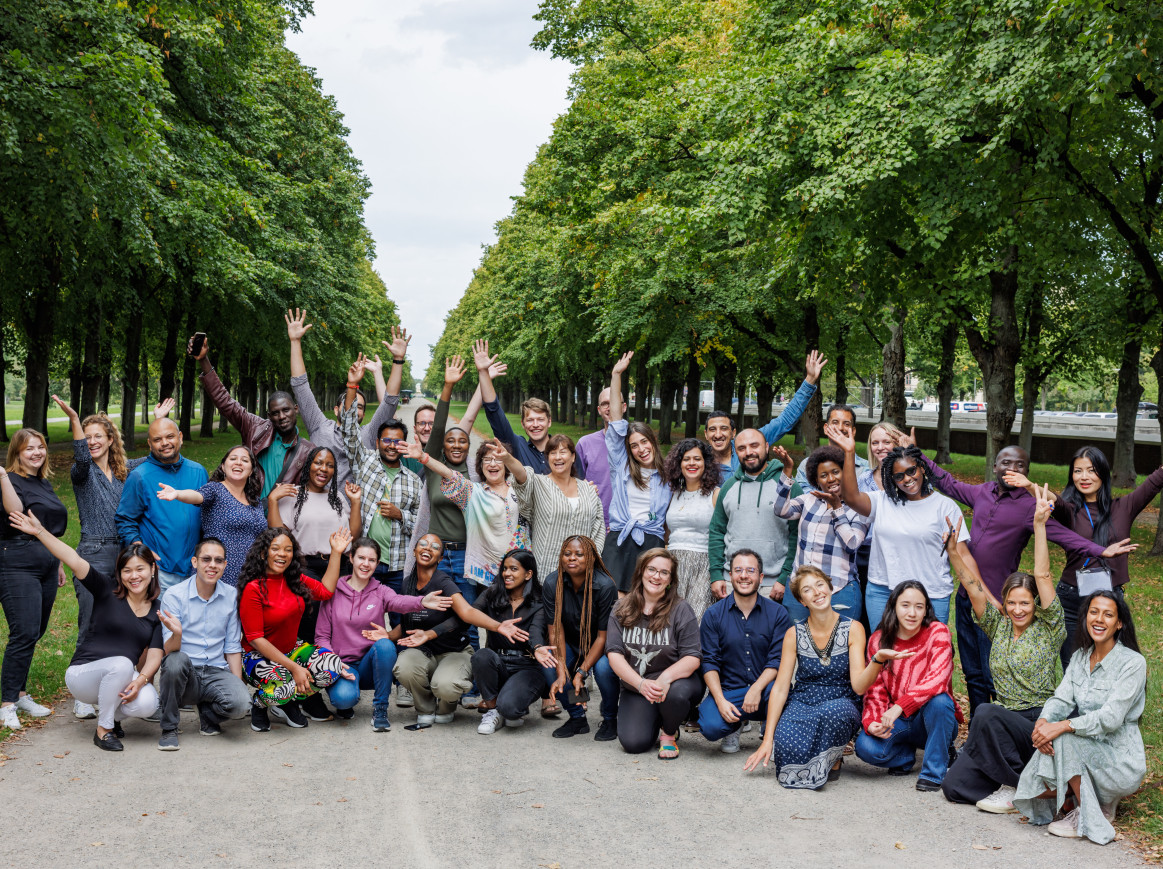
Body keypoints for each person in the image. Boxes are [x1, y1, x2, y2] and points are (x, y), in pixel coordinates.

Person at [900, 432, 1125, 718]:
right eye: (1006, 463)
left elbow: (1065, 536)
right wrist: (916, 453)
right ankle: (978, 732)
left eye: (1020, 465)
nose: (1012, 469)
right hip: (967, 596)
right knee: (972, 672)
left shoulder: (1029, 508)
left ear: (1026, 472)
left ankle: (1003, 724)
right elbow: (947, 482)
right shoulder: (980, 492)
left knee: (993, 670)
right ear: (994, 466)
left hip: (997, 605)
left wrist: (1100, 551)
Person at [941, 488, 1068, 812]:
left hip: (1036, 722)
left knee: (984, 710)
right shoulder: (997, 625)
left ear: (1035, 603)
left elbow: (1042, 573)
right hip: (1000, 725)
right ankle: (1025, 781)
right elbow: (973, 587)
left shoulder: (1050, 627)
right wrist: (954, 551)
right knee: (954, 787)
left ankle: (1019, 785)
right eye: (1011, 602)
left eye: (1024, 603)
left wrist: (1039, 525)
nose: (1017, 609)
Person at [52, 395, 169, 718]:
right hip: (93, 552)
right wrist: (75, 419)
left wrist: (159, 418)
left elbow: (151, 459)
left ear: (110, 439)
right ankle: (82, 695)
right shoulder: (82, 473)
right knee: (91, 621)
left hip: (124, 555)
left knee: (128, 624)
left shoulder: (124, 470)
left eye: (97, 437)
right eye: (87, 438)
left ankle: (129, 683)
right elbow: (79, 455)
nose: (91, 443)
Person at [11, 509, 162, 750]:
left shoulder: (156, 610)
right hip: (83, 675)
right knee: (123, 663)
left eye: (140, 569)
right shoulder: (106, 590)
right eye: (127, 570)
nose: (134, 576)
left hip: (117, 677)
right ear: (119, 574)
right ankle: (104, 730)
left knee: (149, 702)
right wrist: (39, 531)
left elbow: (155, 654)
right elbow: (74, 559)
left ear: (152, 570)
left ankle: (110, 715)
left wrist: (142, 680)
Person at [743, 566, 905, 788]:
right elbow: (780, 689)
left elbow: (858, 687)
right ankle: (823, 756)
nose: (817, 592)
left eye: (820, 585)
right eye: (808, 590)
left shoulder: (853, 628)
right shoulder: (794, 634)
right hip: (803, 702)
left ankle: (833, 755)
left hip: (841, 702)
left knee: (833, 713)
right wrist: (769, 738)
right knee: (785, 744)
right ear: (802, 601)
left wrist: (876, 660)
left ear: (830, 588)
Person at [1012, 590, 1147, 844]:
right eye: (1094, 612)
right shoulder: (1080, 657)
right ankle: (1075, 799)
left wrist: (1061, 726)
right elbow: (1061, 699)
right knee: (1039, 770)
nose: (1099, 619)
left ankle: (1088, 815)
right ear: (1086, 617)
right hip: (1087, 747)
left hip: (1120, 760)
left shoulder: (1133, 663)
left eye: (1108, 615)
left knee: (1063, 740)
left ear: (1119, 624)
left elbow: (1110, 718)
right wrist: (1043, 724)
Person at [830, 422, 973, 628]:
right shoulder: (882, 501)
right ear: (892, 479)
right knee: (883, 654)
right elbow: (851, 497)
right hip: (882, 591)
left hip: (930, 594)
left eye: (911, 471)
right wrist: (850, 452)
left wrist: (981, 593)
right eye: (898, 476)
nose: (907, 479)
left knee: (928, 657)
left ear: (922, 468)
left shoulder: (945, 507)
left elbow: (963, 555)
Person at [1032, 447, 1161, 667]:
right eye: (1078, 471)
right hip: (1072, 599)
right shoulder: (1069, 510)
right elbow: (1054, 500)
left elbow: (1155, 481)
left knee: (1108, 667)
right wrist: (1028, 485)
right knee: (1073, 668)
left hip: (1110, 598)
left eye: (1091, 470)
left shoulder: (1124, 507)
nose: (1084, 477)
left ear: (1103, 472)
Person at [385, 533, 528, 724]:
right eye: (423, 544)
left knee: (445, 685)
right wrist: (385, 636)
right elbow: (406, 623)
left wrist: (498, 626)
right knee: (404, 666)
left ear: (441, 558)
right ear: (414, 550)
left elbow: (466, 613)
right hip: (423, 652)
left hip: (453, 651)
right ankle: (425, 707)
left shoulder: (443, 582)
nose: (428, 548)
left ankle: (446, 706)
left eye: (435, 547)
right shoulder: (407, 584)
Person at [316, 536, 452, 731]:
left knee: (385, 645)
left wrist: (421, 601)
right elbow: (321, 636)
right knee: (343, 700)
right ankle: (347, 701)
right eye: (361, 558)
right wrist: (333, 664)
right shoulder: (333, 591)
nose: (366, 564)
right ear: (351, 558)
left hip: (372, 665)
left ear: (377, 563)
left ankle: (380, 709)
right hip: (342, 665)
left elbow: (399, 601)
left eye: (371, 560)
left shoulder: (380, 591)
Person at [238, 526, 353, 731]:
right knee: (283, 683)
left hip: (291, 649)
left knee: (333, 666)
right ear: (264, 553)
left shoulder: (295, 580)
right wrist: (295, 668)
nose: (282, 554)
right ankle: (260, 703)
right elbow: (255, 639)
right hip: (256, 656)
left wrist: (336, 552)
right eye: (276, 548)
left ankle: (282, 700)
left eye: (288, 549)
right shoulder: (253, 588)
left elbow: (325, 591)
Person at [855, 580, 962, 791]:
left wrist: (899, 706)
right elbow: (874, 691)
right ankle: (905, 758)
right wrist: (873, 721)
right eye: (905, 605)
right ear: (894, 606)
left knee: (940, 702)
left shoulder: (937, 632)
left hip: (933, 719)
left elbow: (937, 679)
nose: (912, 613)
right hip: (900, 723)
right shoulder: (878, 640)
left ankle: (933, 772)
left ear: (926, 610)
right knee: (865, 747)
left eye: (919, 607)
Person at [286, 309, 408, 484]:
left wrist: (397, 360)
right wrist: (295, 341)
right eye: (349, 405)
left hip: (352, 510)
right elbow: (300, 386)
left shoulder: (368, 434)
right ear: (336, 410)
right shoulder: (318, 426)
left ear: (364, 415)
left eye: (359, 407)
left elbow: (389, 402)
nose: (354, 410)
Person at [190, 333, 314, 501]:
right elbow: (224, 401)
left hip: (281, 522)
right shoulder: (255, 428)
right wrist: (204, 360)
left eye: (286, 410)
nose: (282, 416)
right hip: (249, 515)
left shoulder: (307, 451)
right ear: (269, 416)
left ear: (296, 409)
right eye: (276, 413)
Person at [0, 430, 69, 730]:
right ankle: (6, 705)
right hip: (16, 563)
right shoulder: (9, 482)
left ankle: (20, 693)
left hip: (46, 563)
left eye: (41, 447)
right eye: (29, 449)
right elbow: (17, 514)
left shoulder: (43, 482)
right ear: (16, 453)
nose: (37, 453)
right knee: (24, 632)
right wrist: (2, 475)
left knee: (35, 631)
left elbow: (48, 528)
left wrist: (58, 562)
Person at [155, 537, 252, 750]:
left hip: (216, 671)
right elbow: (169, 650)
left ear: (225, 565)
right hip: (185, 674)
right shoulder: (174, 595)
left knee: (242, 704)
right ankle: (169, 727)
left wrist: (237, 685)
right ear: (194, 562)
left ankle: (208, 714)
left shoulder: (230, 595)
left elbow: (233, 645)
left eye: (218, 560)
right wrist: (177, 634)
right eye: (206, 559)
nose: (212, 565)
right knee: (175, 661)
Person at [606, 549, 702, 758]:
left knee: (676, 695)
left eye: (664, 573)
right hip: (638, 686)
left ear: (670, 579)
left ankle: (668, 732)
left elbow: (692, 657)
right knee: (634, 743)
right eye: (651, 569)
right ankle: (658, 719)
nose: (656, 576)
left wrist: (664, 679)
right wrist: (640, 684)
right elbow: (614, 654)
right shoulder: (621, 607)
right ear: (641, 571)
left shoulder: (681, 609)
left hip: (675, 683)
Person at [404, 437, 528, 591]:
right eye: (487, 459)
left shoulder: (519, 489)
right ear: (480, 465)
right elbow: (450, 475)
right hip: (488, 575)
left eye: (498, 459)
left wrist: (508, 457)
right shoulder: (473, 493)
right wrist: (424, 457)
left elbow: (523, 475)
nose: (492, 463)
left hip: (520, 569)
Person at [698, 549, 792, 753]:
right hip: (730, 692)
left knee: (782, 695)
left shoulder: (778, 613)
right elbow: (709, 662)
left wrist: (756, 689)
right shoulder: (713, 615)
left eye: (750, 570)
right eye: (738, 570)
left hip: (766, 690)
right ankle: (733, 725)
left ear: (761, 577)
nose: (744, 575)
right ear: (730, 575)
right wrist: (721, 701)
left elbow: (778, 661)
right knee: (711, 727)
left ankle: (771, 727)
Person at [340, 367, 423, 592]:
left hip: (399, 565)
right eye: (386, 440)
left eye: (397, 441)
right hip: (366, 563)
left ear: (404, 444)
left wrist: (400, 515)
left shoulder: (414, 481)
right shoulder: (364, 462)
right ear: (377, 443)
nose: (392, 446)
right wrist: (351, 386)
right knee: (362, 622)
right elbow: (349, 431)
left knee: (399, 624)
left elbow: (422, 523)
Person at [534, 535, 621, 740]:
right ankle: (578, 717)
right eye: (567, 553)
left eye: (579, 554)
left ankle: (610, 719)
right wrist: (562, 669)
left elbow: (603, 637)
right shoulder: (552, 582)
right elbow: (555, 630)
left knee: (603, 668)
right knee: (550, 663)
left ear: (590, 558)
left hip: (601, 646)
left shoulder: (605, 586)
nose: (572, 558)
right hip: (570, 642)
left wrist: (581, 672)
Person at [772, 445, 870, 623]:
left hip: (839, 591)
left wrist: (836, 508)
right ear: (816, 480)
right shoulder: (809, 499)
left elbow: (852, 544)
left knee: (840, 648)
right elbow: (781, 509)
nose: (831, 478)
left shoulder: (859, 505)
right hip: (800, 591)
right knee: (798, 645)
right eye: (824, 475)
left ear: (845, 472)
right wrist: (787, 470)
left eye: (836, 472)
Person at [603, 351, 671, 593]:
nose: (641, 449)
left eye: (644, 442)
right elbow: (616, 420)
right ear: (628, 450)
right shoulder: (620, 466)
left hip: (651, 542)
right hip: (620, 539)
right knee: (615, 601)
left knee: (646, 601)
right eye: (634, 445)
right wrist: (616, 375)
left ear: (653, 441)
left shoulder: (668, 476)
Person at [704, 351, 827, 484]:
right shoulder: (700, 460)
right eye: (712, 429)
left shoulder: (750, 443)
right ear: (705, 434)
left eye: (723, 428)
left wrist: (809, 381)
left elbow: (784, 421)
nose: (718, 434)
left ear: (733, 432)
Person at [155, 445, 269, 588]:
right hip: (218, 571)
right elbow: (197, 496)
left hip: (250, 574)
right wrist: (177, 494)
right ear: (223, 466)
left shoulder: (255, 500)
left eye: (245, 460)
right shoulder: (215, 490)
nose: (238, 462)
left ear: (251, 470)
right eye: (233, 459)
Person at [115, 418, 208, 591]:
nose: (165, 443)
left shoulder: (199, 472)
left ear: (180, 437)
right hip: (161, 571)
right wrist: (140, 549)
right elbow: (124, 520)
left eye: (170, 436)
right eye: (157, 440)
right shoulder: (139, 476)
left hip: (196, 569)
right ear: (150, 444)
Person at [707, 428, 798, 605]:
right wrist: (717, 575)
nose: (749, 452)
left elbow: (797, 535)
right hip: (731, 582)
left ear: (766, 446)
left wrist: (784, 578)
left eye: (754, 446)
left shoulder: (787, 485)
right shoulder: (729, 487)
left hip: (772, 585)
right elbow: (717, 532)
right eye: (741, 448)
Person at [498, 435, 606, 581]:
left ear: (573, 456)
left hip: (580, 578)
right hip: (546, 575)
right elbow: (523, 476)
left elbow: (598, 529)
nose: (557, 457)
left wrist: (591, 561)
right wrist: (508, 459)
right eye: (552, 453)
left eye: (563, 452)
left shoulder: (588, 490)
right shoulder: (539, 484)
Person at [471, 549, 547, 734]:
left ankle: (509, 706)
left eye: (514, 569)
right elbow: (470, 614)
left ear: (528, 574)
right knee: (481, 656)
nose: (507, 574)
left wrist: (537, 648)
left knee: (511, 710)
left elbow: (536, 631)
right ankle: (492, 710)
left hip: (527, 666)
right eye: (505, 569)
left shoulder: (539, 600)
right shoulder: (492, 593)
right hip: (498, 662)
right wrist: (431, 633)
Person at [661, 438, 719, 619]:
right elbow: (668, 532)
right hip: (674, 564)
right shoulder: (673, 493)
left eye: (697, 459)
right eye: (686, 459)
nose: (691, 463)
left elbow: (721, 534)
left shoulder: (716, 494)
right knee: (671, 620)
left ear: (706, 463)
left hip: (703, 565)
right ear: (679, 464)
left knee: (696, 619)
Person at [476, 340, 552, 475]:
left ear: (549, 421)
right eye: (530, 420)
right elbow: (494, 411)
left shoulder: (562, 450)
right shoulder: (517, 447)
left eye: (540, 419)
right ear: (522, 424)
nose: (535, 425)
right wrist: (483, 372)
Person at [574, 384, 625, 527]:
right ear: (599, 410)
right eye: (605, 404)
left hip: (629, 524)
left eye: (614, 403)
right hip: (595, 523)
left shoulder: (635, 444)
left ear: (624, 407)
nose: (610, 408)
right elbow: (574, 483)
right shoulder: (585, 444)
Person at [794, 404, 871, 491]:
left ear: (853, 431)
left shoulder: (867, 469)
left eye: (846, 424)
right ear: (826, 428)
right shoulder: (806, 466)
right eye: (835, 422)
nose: (840, 428)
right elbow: (802, 499)